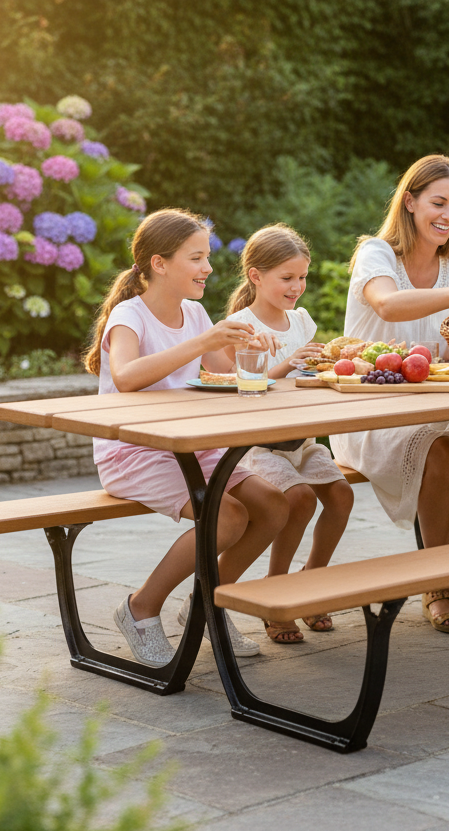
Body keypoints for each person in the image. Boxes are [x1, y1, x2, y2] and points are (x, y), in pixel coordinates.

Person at [84, 207, 289, 666]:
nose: (208, 268)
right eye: (196, 258)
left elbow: (222, 374)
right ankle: (140, 608)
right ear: (159, 263)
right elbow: (126, 376)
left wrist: (249, 350)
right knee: (228, 518)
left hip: (190, 448)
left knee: (275, 505)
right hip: (132, 453)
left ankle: (206, 603)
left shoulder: (194, 314)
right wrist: (202, 342)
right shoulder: (129, 316)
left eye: (207, 257)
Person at [333, 154, 449, 639]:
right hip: (370, 411)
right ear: (410, 201)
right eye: (438, 203)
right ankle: (435, 584)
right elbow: (387, 304)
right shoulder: (377, 253)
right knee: (442, 450)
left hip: (431, 405)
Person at [223, 224, 355, 644]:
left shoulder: (301, 320)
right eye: (287, 277)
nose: (297, 286)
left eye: (302, 277)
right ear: (256, 276)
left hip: (302, 440)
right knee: (298, 498)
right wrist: (288, 363)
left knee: (341, 496)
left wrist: (331, 365)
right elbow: (244, 389)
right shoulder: (239, 326)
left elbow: (306, 378)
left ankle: (309, 584)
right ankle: (276, 595)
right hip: (257, 445)